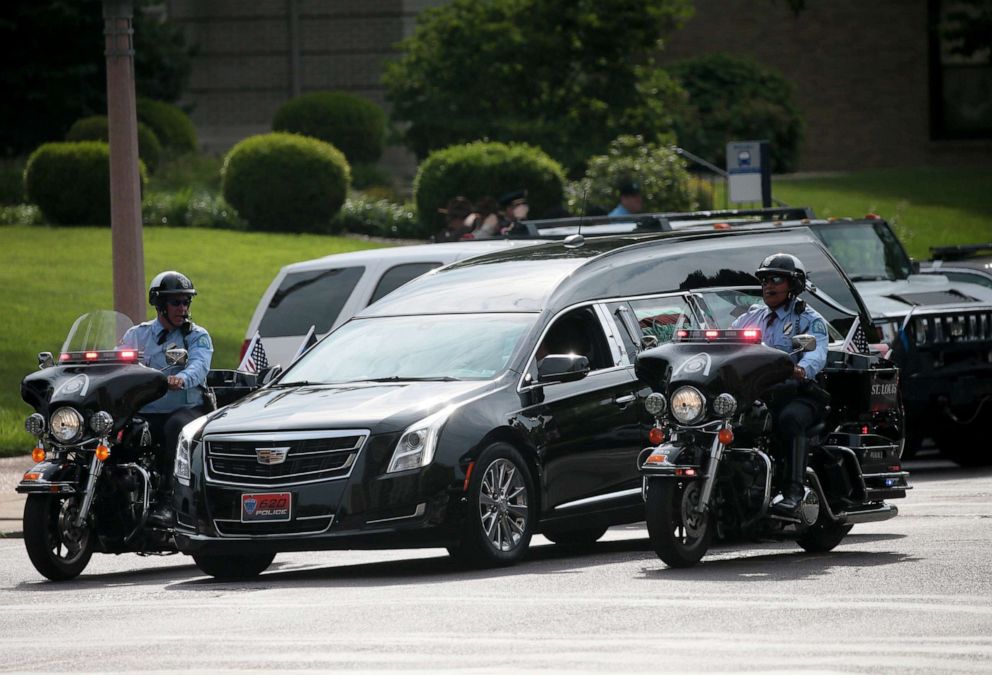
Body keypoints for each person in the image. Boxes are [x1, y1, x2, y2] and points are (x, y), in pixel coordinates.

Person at [730, 253, 829, 517]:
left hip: (798, 394)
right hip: (758, 394)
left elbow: (816, 353)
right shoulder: (750, 318)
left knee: (790, 420)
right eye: (764, 280)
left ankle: (794, 493)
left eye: (776, 279)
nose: (768, 286)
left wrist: (800, 368)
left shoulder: (808, 319)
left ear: (794, 285)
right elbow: (727, 344)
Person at [120, 270, 214, 527]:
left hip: (186, 408)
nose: (182, 308)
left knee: (176, 427)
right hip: (146, 410)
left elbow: (199, 366)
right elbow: (118, 364)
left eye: (186, 302)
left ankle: (168, 501)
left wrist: (180, 378)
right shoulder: (136, 336)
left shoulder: (196, 336)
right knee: (119, 428)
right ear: (160, 305)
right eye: (176, 302)